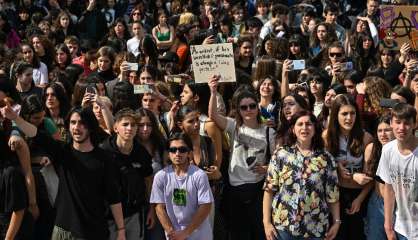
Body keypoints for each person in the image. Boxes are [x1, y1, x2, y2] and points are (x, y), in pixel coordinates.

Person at [9, 106, 127, 239]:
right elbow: (36, 134)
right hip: (63, 230)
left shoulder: (105, 159)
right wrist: (15, 118)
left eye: (82, 123)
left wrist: (121, 230)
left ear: (91, 126)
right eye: (73, 122)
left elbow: (114, 197)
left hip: (94, 231)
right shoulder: (63, 152)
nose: (77, 127)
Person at [208, 75, 276, 240]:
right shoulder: (233, 126)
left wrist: (267, 168)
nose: (248, 110)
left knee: (259, 232)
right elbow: (213, 116)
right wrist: (213, 91)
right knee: (239, 234)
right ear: (238, 110)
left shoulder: (269, 131)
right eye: (243, 107)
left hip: (258, 189)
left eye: (252, 106)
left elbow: (277, 161)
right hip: (235, 189)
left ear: (257, 108)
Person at [263, 110, 340, 240]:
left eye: (308, 124)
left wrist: (337, 222)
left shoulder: (326, 158)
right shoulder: (281, 155)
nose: (304, 128)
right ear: (293, 129)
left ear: (315, 128)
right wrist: (266, 222)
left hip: (316, 227)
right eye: (300, 124)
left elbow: (332, 195)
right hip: (284, 227)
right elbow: (269, 190)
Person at [100, 108, 154, 240]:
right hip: (108, 217)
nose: (129, 128)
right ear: (116, 127)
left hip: (134, 214)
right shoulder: (103, 152)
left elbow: (148, 181)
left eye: (133, 125)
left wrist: (151, 209)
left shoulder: (142, 153)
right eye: (125, 124)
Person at [150, 132, 214, 240]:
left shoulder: (199, 175)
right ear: (168, 153)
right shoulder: (161, 176)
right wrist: (172, 233)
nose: (177, 153)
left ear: (189, 152)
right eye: (173, 150)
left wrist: (185, 233)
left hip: (199, 235)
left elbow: (206, 206)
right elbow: (159, 208)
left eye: (182, 149)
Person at [377, 103, 418, 240]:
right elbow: (389, 189)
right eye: (398, 122)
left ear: (414, 124)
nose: (401, 128)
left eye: (406, 123)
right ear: (391, 123)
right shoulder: (388, 150)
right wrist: (388, 225)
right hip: (401, 228)